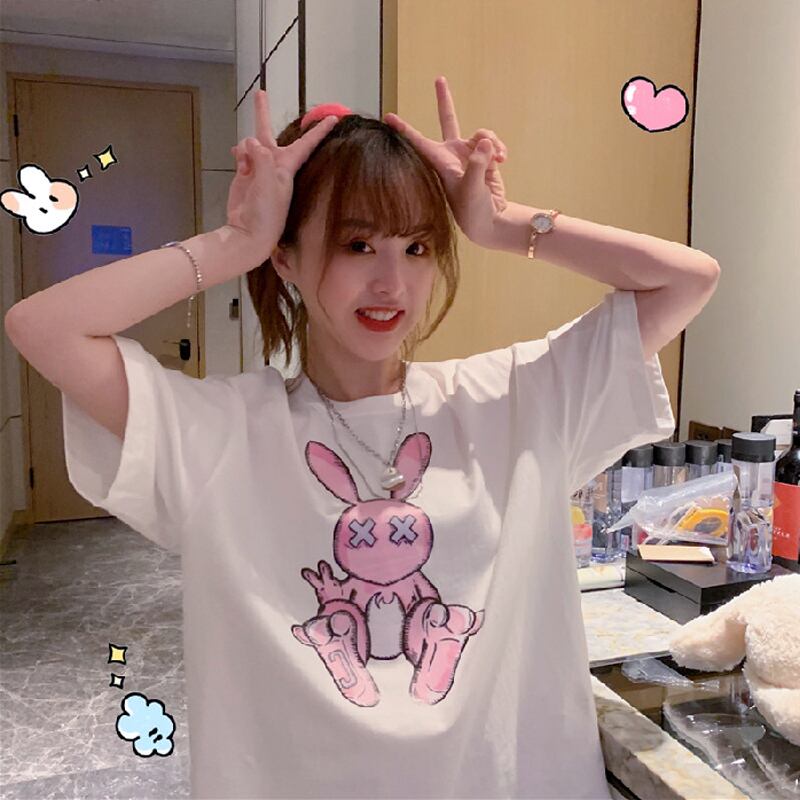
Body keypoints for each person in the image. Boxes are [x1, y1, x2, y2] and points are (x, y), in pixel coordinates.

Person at [5, 76, 719, 799]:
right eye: (357, 244)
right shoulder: (221, 434)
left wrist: (505, 226)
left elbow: (688, 280)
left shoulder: (513, 398)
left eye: (417, 247)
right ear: (287, 257)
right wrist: (235, 243)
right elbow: (42, 327)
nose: (391, 282)